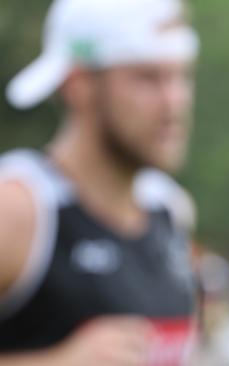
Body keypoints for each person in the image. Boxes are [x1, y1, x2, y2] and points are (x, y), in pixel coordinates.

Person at [0, 0, 200, 365]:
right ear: (79, 85)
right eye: (148, 78)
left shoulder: (171, 209)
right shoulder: (19, 209)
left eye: (181, 76)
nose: (174, 102)